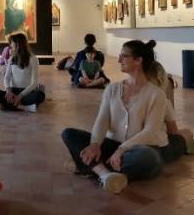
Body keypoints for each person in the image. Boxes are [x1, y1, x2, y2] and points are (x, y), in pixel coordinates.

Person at [62, 40, 185, 194]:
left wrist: (121, 150)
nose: (119, 60)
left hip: (137, 149)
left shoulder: (156, 94)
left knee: (150, 158)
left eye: (124, 56)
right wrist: (94, 144)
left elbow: (150, 131)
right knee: (69, 134)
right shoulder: (113, 89)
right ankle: (105, 174)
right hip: (112, 144)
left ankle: (90, 167)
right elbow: (102, 120)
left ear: (139, 60)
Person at [0, 33, 45, 113]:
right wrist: (8, 90)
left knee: (40, 95)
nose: (10, 45)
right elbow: (7, 77)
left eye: (12, 43)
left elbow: (34, 83)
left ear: (18, 44)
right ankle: (25, 107)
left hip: (26, 92)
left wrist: (20, 96)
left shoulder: (33, 59)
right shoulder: (12, 59)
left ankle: (9, 105)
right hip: (13, 91)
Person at [146, 61, 194, 152]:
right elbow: (173, 131)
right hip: (159, 147)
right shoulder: (164, 102)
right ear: (162, 81)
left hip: (135, 143)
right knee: (187, 132)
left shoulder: (134, 98)